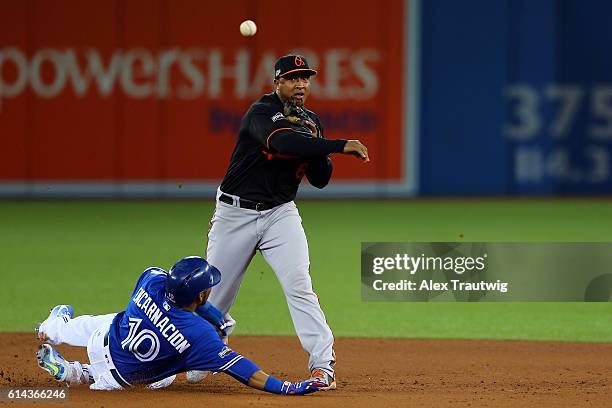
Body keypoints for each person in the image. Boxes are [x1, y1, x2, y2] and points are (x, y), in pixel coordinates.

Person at [192, 54, 370, 389]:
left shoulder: (311, 121)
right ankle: (209, 349)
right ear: (278, 82)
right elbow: (280, 141)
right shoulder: (261, 113)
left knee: (299, 284)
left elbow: (319, 179)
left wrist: (318, 148)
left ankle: (322, 366)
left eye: (306, 78)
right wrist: (337, 144)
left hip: (279, 214)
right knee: (213, 295)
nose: (301, 84)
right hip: (235, 213)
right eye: (293, 78)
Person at [35, 256, 326, 395]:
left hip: (105, 338)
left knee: (117, 318)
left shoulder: (151, 279)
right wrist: (289, 387)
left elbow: (178, 296)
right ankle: (76, 373)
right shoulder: (199, 335)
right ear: (200, 296)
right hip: (119, 381)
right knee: (166, 375)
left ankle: (54, 328)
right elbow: (244, 370)